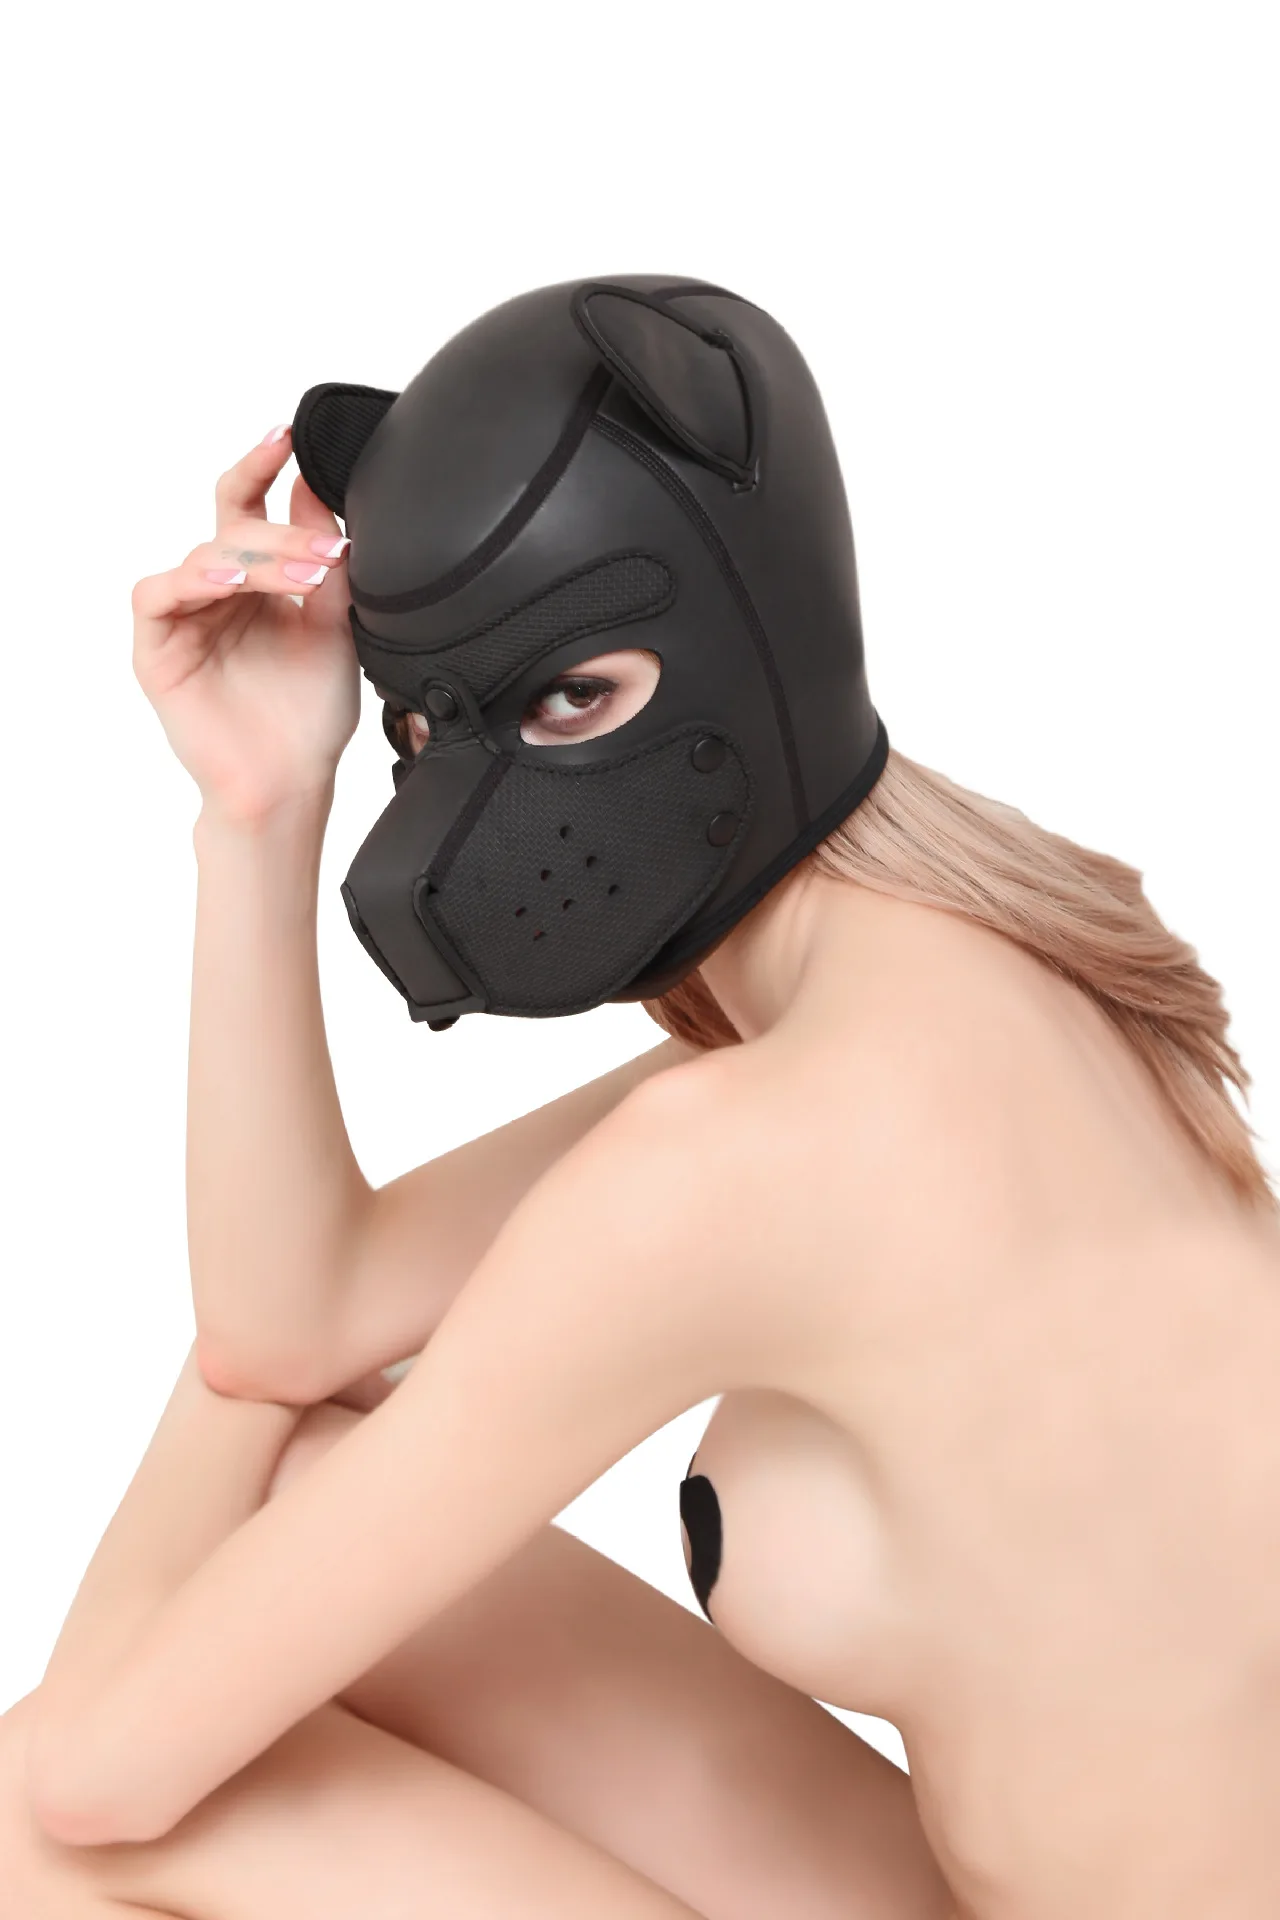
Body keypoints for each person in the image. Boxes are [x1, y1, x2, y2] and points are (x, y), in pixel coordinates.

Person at [5, 276, 1278, 1920]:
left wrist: (155, 1600)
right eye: (423, 726)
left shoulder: (741, 1163)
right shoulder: (989, 963)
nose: (470, 803)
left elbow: (98, 1778)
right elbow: (289, 1322)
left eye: (570, 697)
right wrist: (259, 805)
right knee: (295, 1474)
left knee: (40, 1823)